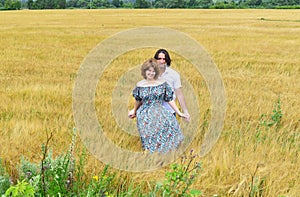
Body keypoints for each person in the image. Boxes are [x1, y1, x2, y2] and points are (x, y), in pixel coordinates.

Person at [128, 58, 186, 153]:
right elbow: (138, 100)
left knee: (170, 125)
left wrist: (178, 112)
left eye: (153, 71)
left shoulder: (162, 84)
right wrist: (134, 111)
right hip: (145, 114)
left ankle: (166, 154)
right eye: (149, 71)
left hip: (159, 109)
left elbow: (169, 99)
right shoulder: (140, 85)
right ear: (144, 71)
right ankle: (151, 155)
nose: (151, 73)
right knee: (150, 136)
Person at [154, 49, 190, 122]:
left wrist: (185, 112)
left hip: (169, 112)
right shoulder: (151, 74)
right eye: (159, 59)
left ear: (167, 60)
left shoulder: (174, 75)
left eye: (164, 59)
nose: (162, 61)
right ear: (155, 60)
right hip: (154, 114)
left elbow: (179, 94)